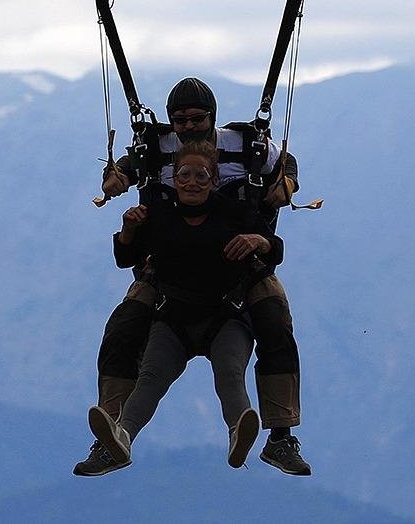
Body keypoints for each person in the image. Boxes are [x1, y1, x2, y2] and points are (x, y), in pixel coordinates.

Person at [74, 78, 312, 477]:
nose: (187, 126)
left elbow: (285, 162)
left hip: (241, 267)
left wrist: (285, 186)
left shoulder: (245, 144)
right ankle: (111, 433)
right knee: (124, 327)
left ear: (212, 117)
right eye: (179, 120)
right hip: (167, 265)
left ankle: (281, 437)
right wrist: (115, 180)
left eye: (196, 119)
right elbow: (130, 167)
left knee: (274, 320)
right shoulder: (155, 148)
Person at [87, 141, 275, 471]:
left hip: (225, 316)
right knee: (150, 379)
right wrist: (129, 229)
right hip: (173, 318)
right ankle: (122, 436)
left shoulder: (234, 214)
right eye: (184, 175)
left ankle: (239, 431)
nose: (192, 182)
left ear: (214, 179)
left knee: (230, 375)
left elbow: (273, 249)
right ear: (173, 179)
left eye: (201, 176)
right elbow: (124, 258)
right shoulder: (158, 216)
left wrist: (257, 241)